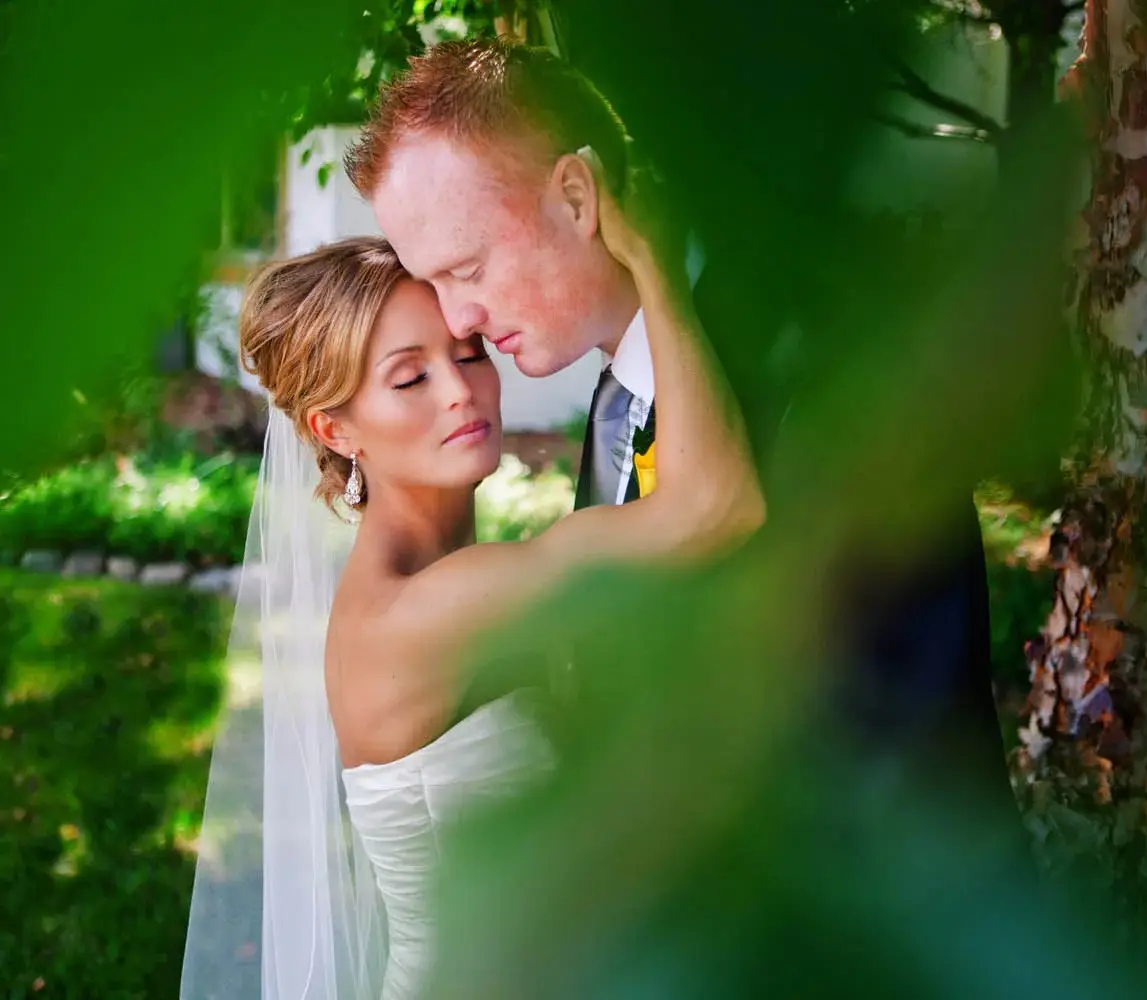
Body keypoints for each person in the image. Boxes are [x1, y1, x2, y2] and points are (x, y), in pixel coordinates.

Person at [344, 37, 1026, 847]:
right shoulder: (615, 402)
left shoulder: (818, 383)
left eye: (467, 270)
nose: (460, 323)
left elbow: (910, 753)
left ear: (575, 198)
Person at [180, 161, 763, 1000]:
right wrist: (655, 265)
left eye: (469, 353)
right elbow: (717, 507)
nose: (462, 392)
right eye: (411, 378)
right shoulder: (425, 610)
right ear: (334, 428)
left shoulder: (433, 577)